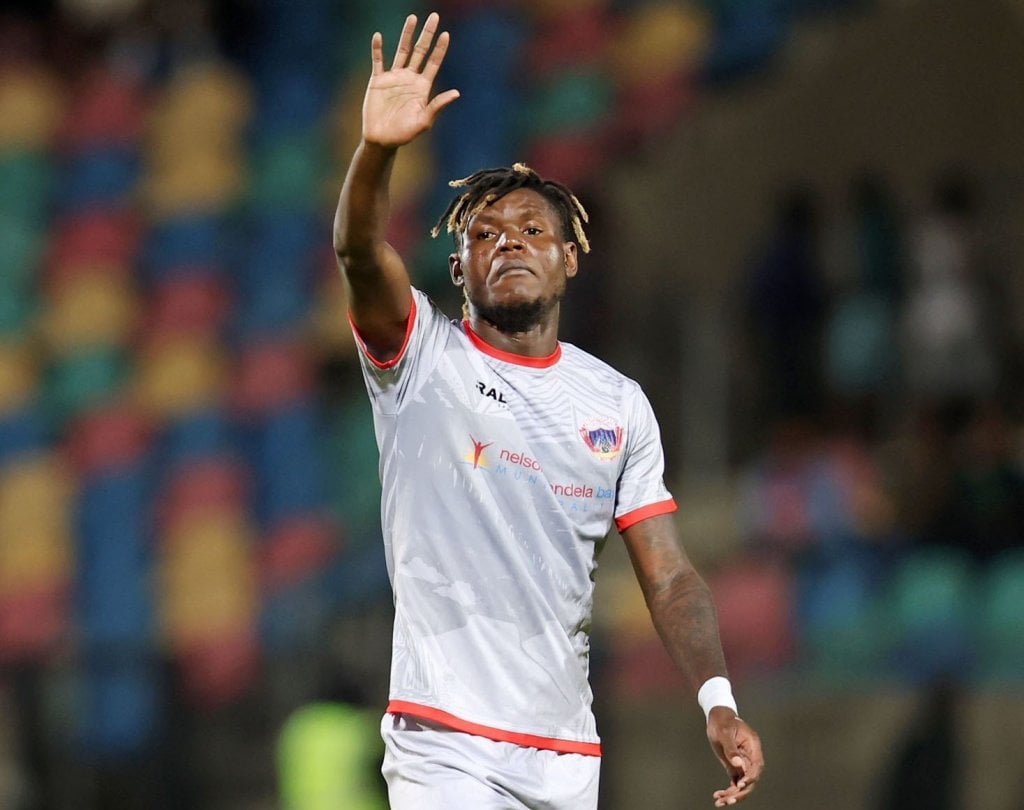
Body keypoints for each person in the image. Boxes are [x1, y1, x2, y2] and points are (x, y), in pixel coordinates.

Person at [334, 12, 764, 809]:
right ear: (458, 267)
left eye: (533, 229)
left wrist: (717, 700)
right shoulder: (421, 357)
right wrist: (380, 150)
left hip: (567, 755)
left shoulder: (618, 404)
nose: (509, 243)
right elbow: (360, 252)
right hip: (443, 744)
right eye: (485, 234)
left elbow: (667, 577)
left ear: (569, 259)